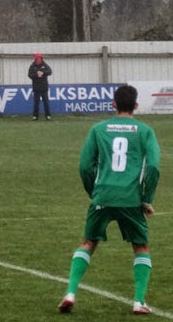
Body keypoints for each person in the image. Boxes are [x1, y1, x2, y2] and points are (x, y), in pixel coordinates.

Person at [58, 84, 160, 316]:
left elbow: (85, 166)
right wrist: (147, 198)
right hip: (131, 198)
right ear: (135, 105)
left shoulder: (98, 129)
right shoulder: (145, 131)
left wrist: (94, 192)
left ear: (113, 104)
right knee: (141, 246)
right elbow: (153, 168)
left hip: (102, 195)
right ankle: (138, 301)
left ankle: (70, 293)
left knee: (88, 243)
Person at [28, 52, 52, 120]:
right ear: (35, 59)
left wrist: (43, 73)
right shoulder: (32, 66)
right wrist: (36, 75)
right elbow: (29, 75)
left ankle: (48, 115)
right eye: (37, 59)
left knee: (46, 102)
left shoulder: (44, 65)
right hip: (36, 88)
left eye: (40, 58)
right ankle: (35, 116)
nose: (39, 60)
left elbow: (50, 71)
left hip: (44, 87)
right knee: (36, 103)